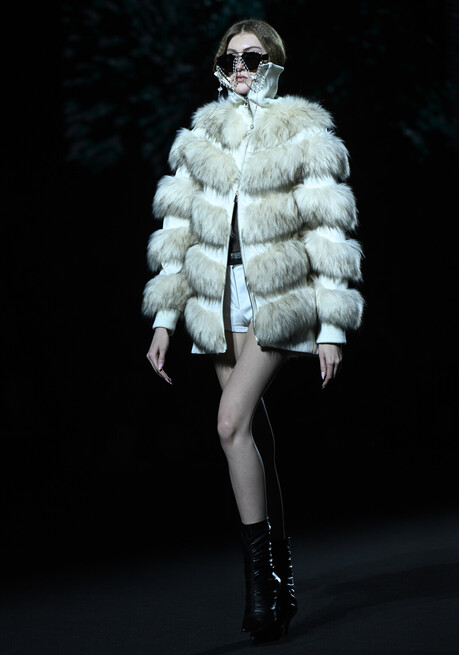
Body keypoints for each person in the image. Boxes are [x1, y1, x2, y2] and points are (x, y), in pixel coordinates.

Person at [142, 19, 363, 643]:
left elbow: (327, 228)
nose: (240, 66)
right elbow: (177, 231)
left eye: (253, 56)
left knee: (229, 423)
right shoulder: (201, 135)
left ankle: (261, 593)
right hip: (216, 300)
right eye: (231, 57)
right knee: (251, 435)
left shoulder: (302, 129)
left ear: (275, 63)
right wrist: (164, 319)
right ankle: (282, 577)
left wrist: (332, 326)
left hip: (275, 297)